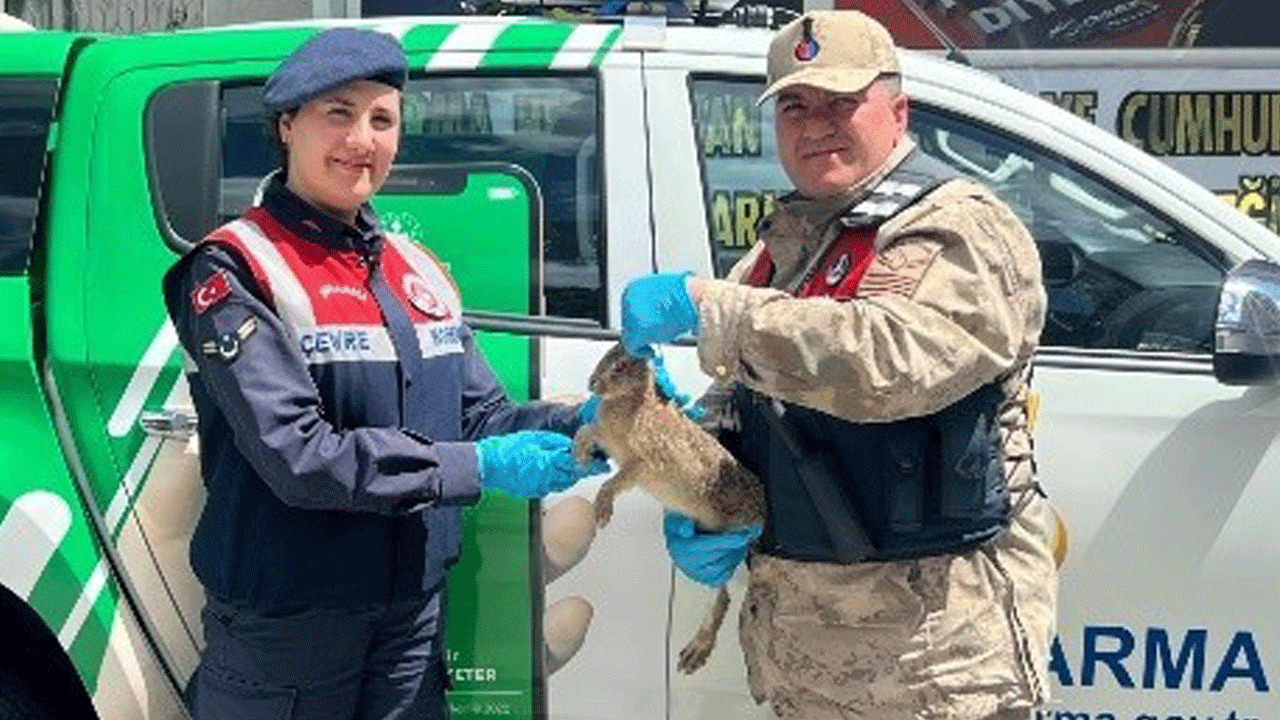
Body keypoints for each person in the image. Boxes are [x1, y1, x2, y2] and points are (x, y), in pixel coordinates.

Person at [620, 10, 1058, 720]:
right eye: (794, 105)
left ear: (897, 110)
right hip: (807, 664)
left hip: (936, 668)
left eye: (840, 102)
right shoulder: (782, 250)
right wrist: (697, 480)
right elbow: (748, 405)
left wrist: (713, 311)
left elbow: (896, 360)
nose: (815, 123)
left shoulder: (954, 226)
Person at [161, 27, 605, 720]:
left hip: (410, 619)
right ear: (288, 125)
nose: (361, 139)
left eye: (382, 118)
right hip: (292, 629)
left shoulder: (414, 268)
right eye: (337, 112)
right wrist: (477, 469)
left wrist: (586, 423)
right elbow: (299, 455)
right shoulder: (236, 268)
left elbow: (481, 417)